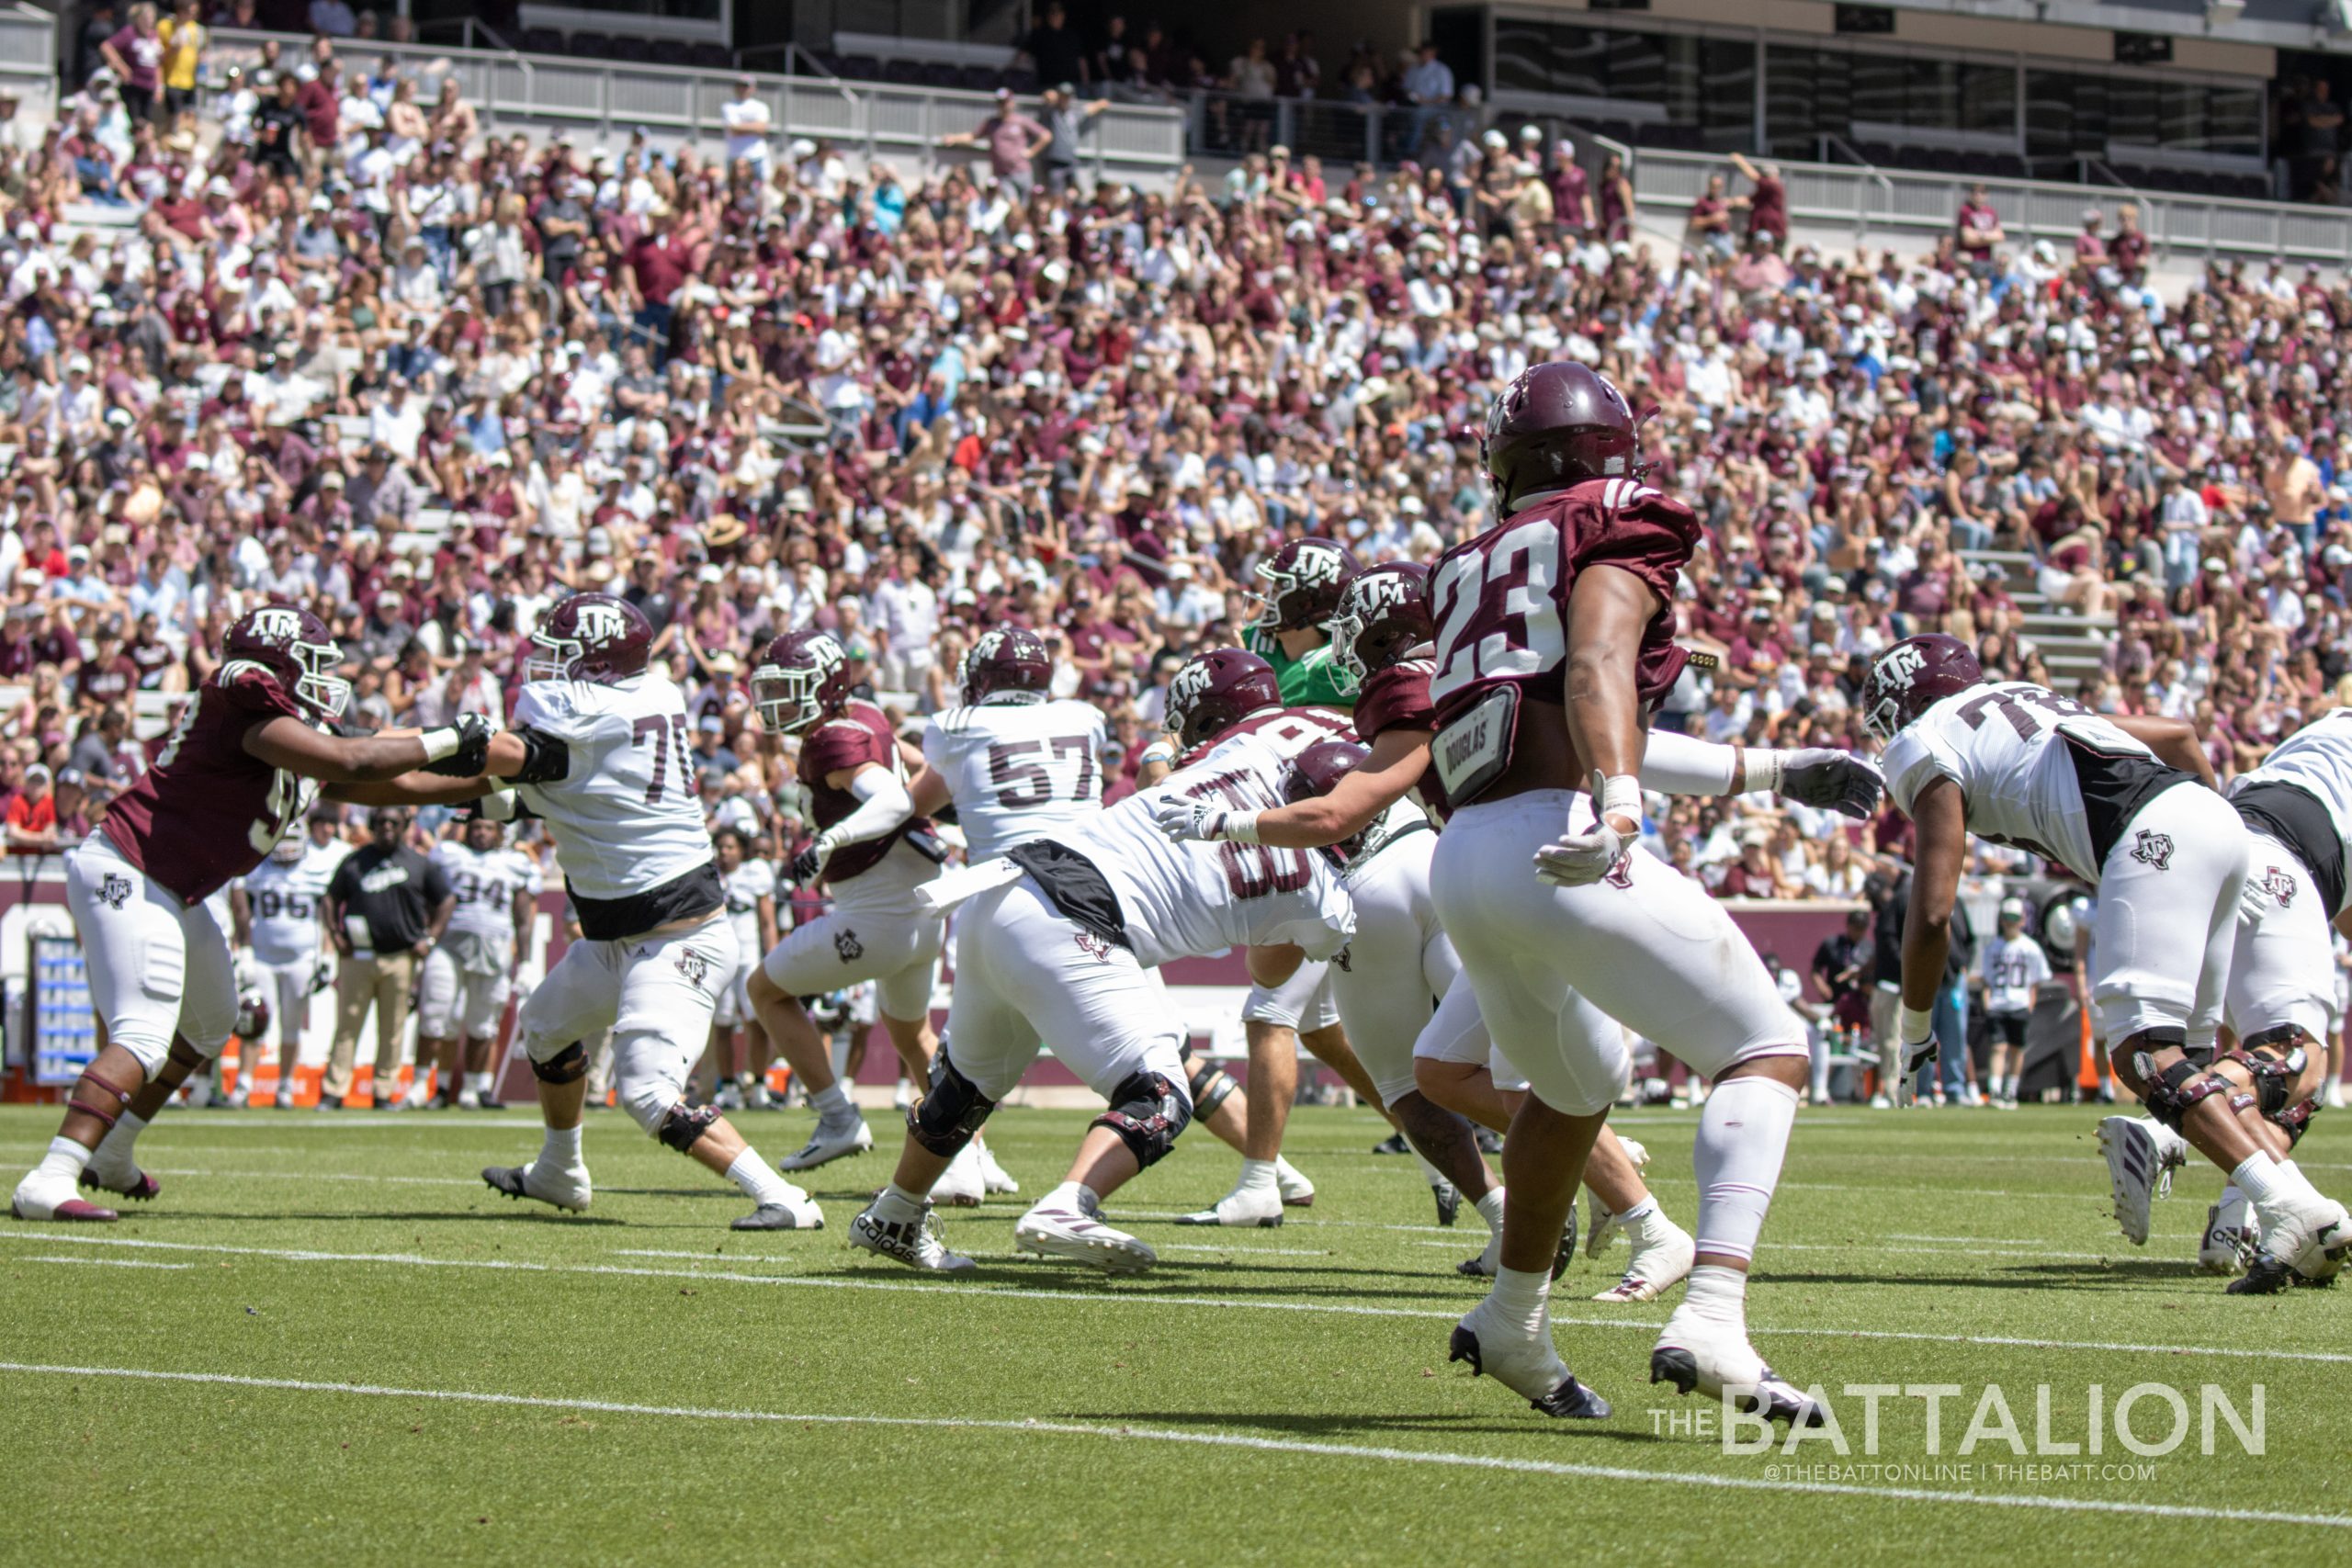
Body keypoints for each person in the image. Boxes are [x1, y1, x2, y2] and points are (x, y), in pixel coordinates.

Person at [1425, 361, 1825, 1424]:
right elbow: (1598, 664)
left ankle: (1511, 1320)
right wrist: (1617, 802)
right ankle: (1715, 1314)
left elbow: (1520, 711)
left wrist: (1768, 767)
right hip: (1559, 833)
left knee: (1567, 1089)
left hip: (1466, 852)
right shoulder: (1608, 522)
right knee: (1766, 1046)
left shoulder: (1470, 566)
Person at [1865, 633, 2349, 1294]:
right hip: (2218, 817)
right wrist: (2216, 840)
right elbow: (2178, 736)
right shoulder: (2032, 700)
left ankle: (2288, 1207)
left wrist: (1916, 1026)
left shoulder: (1921, 739)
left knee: (2144, 1055)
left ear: (1901, 702)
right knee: (2199, 1066)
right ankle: (2286, 1211)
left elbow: (1931, 912)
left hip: (2150, 832)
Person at [847, 647, 1357, 1275]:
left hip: (997, 887)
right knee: (1162, 1094)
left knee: (966, 1088)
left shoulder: (1225, 762)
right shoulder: (1328, 887)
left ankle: (896, 1212)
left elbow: (1160, 773)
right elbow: (1269, 972)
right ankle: (1070, 1201)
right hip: (1075, 912)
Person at [9, 606, 499, 1222]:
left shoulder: (288, 737)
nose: (326, 681)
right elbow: (355, 763)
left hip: (173, 885)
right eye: (314, 667)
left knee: (212, 1022)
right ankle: (50, 1176)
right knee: (143, 1032)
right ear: (276, 665)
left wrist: (491, 791)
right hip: (131, 868)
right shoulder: (243, 697)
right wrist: (450, 737)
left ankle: (112, 1148)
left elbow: (384, 784)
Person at [469, 593, 821, 1231]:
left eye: (562, 654)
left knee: (648, 1091)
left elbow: (518, 765)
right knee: (546, 1024)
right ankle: (560, 1169)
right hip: (620, 936)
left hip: (676, 937)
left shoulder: (589, 712)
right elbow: (552, 791)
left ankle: (785, 1197)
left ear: (600, 666)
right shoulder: (646, 697)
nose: (545, 666)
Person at [741, 628, 955, 1184]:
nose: (777, 705)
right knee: (912, 1037)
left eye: (790, 690)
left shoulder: (831, 741)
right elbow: (911, 764)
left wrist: (831, 840)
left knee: (765, 991)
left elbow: (890, 797)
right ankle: (971, 1156)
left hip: (877, 913)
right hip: (923, 911)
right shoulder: (864, 712)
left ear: (824, 687)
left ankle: (837, 1117)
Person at [322, 806, 454, 1110]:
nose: (387, 827)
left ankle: (383, 1091)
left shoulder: (419, 863)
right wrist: (334, 933)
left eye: (394, 822)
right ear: (371, 825)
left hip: (401, 956)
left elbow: (446, 900)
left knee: (393, 1029)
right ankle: (334, 1089)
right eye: (381, 822)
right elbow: (330, 898)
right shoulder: (356, 861)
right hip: (359, 954)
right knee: (347, 1024)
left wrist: (430, 937)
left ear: (406, 825)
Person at [416, 815, 538, 1111]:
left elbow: (522, 919)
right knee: (436, 1015)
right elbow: (428, 898)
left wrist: (526, 962)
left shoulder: (515, 863)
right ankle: (424, 1085)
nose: (482, 833)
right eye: (476, 828)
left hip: (494, 949)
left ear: (499, 832)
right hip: (449, 946)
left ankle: (472, 1087)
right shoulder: (449, 854)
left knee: (483, 1025)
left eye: (487, 828)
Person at [230, 826, 338, 1109]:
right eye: (283, 840)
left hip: (301, 959)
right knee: (256, 1023)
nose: (287, 848)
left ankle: (286, 1086)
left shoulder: (316, 869)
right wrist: (244, 952)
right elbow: (243, 914)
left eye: (292, 840)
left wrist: (327, 957)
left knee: (291, 1027)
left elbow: (326, 919)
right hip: (264, 958)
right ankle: (243, 1084)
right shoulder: (257, 871)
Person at [707, 826, 779, 1111]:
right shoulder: (709, 875)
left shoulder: (754, 874)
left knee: (756, 1021)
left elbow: (767, 920)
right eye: (721, 847)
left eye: (730, 847)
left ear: (741, 850)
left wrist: (772, 956)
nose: (724, 853)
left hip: (748, 956)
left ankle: (759, 1084)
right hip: (719, 958)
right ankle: (727, 1086)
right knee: (722, 1024)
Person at [1977, 899, 2049, 1110]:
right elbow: (1986, 980)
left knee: (2017, 1049)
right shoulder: (1993, 947)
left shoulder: (2030, 947)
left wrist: (2030, 1005)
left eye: (2015, 919)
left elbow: (2036, 981)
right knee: (1998, 1047)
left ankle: (2011, 1089)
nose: (2010, 923)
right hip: (1998, 1003)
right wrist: (1987, 1003)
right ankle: (1995, 1089)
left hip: (2019, 1002)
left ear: (2023, 920)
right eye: (2008, 918)